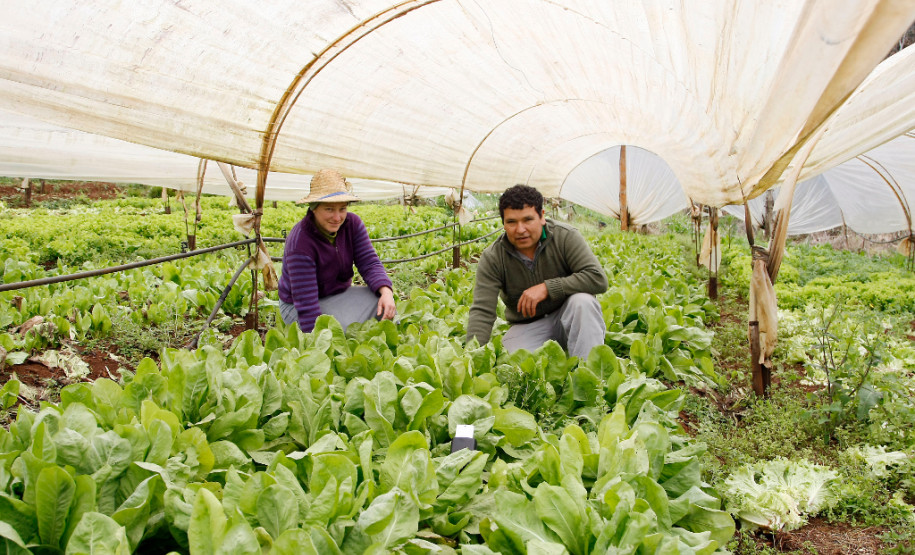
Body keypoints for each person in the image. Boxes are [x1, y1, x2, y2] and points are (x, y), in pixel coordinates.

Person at [466, 184, 608, 357]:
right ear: (503, 223)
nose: (520, 230)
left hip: (568, 316)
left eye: (527, 220)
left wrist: (547, 288)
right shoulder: (494, 257)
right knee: (513, 362)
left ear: (541, 217)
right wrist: (472, 358)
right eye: (511, 222)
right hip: (528, 326)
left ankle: (589, 376)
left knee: (583, 302)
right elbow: (482, 310)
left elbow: (597, 278)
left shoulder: (565, 237)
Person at [278, 169, 396, 333]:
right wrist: (321, 342)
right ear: (314, 208)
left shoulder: (352, 224)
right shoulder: (300, 242)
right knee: (338, 332)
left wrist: (386, 291)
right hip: (297, 306)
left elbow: (369, 262)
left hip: (338, 293)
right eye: (329, 209)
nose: (337, 217)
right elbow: (307, 305)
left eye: (342, 208)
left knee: (383, 303)